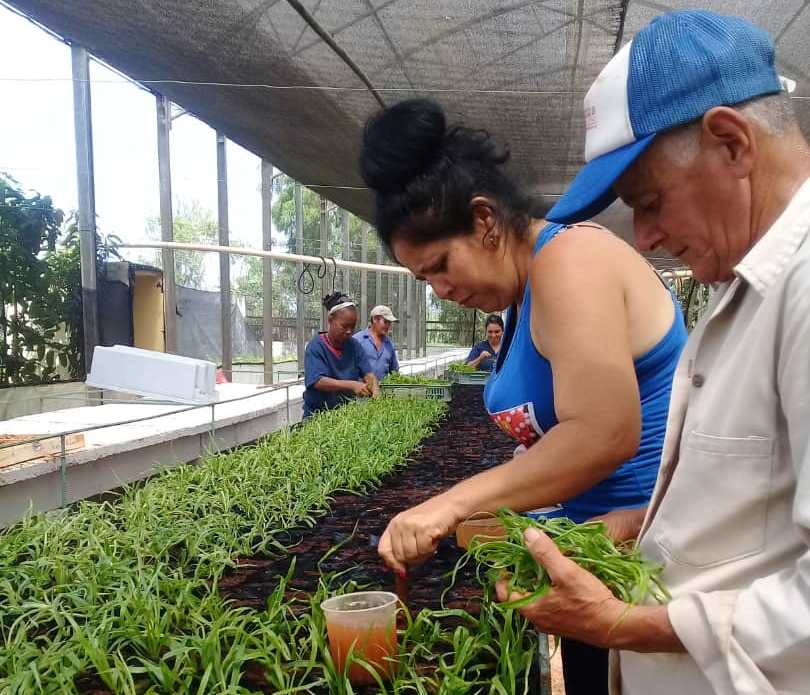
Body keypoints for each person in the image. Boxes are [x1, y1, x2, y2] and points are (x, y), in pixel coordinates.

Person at [495, 10, 810, 695]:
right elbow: (765, 510)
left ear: (731, 142)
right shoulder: (745, 285)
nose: (643, 237)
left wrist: (620, 623)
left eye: (650, 201)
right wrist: (649, 522)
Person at [360, 97, 687, 695]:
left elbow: (603, 434)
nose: (439, 290)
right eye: (422, 279)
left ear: (485, 221)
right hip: (590, 565)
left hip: (649, 572)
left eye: (439, 265)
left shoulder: (570, 260)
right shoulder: (517, 299)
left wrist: (449, 504)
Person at [302, 291, 379, 418]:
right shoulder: (316, 347)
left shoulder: (354, 346)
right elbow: (317, 381)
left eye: (353, 327)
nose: (349, 331)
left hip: (345, 416)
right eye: (344, 326)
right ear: (330, 320)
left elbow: (368, 374)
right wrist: (352, 385)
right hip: (318, 417)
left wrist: (375, 392)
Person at [353, 305, 400, 381]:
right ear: (375, 319)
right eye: (385, 322)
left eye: (389, 323)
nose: (388, 326)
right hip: (360, 391)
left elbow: (394, 372)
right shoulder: (357, 340)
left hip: (382, 392)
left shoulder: (389, 345)